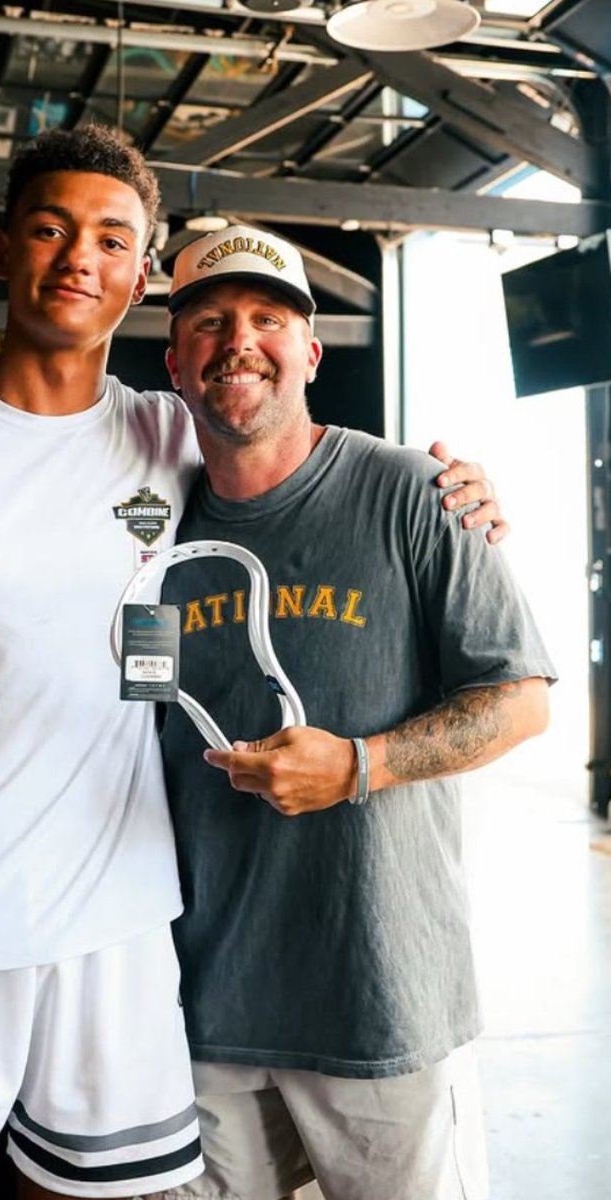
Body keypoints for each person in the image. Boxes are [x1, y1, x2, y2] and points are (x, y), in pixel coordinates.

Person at [0, 126, 506, 1200]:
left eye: (113, 239)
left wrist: (458, 491)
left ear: (140, 276)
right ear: (4, 249)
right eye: (51, 230)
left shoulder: (173, 435)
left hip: (119, 938)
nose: (80, 259)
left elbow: (290, 447)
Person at [154, 225, 556, 1200]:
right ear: (174, 363)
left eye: (267, 319)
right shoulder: (155, 522)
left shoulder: (414, 494)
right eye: (209, 322)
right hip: (199, 1010)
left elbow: (519, 699)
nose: (238, 341)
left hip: (382, 1003)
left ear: (310, 350)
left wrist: (359, 766)